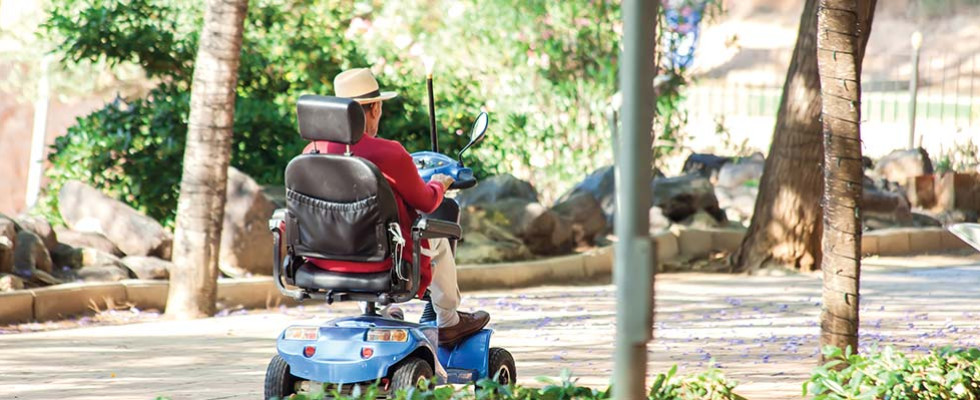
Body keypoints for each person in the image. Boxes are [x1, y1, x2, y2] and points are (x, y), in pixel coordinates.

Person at [302, 68, 490, 345]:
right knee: (438, 233)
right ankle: (449, 321)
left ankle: (385, 310)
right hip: (387, 262)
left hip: (321, 260)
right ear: (375, 108)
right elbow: (426, 201)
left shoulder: (311, 153)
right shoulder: (389, 153)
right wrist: (439, 183)